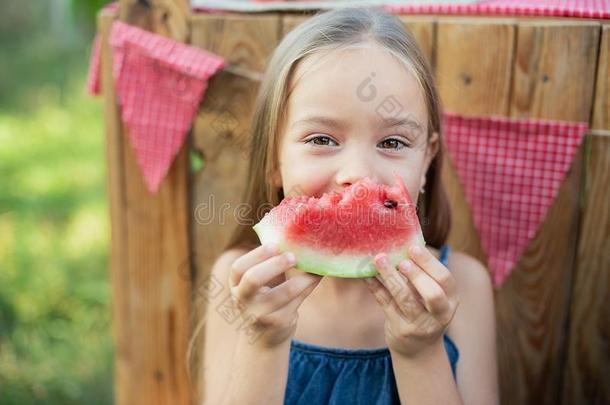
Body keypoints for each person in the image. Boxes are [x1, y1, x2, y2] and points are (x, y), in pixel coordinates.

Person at [196, 6, 499, 405]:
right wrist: (263, 343)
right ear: (273, 159)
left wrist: (421, 351)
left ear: (426, 161)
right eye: (322, 139)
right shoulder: (245, 286)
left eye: (392, 142)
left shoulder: (464, 285)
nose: (357, 175)